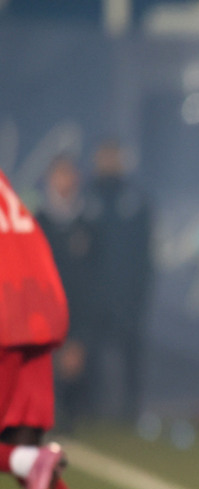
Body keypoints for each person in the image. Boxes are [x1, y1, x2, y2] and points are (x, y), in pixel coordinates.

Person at [0, 166, 122, 489]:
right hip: (37, 319)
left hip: (7, 320)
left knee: (24, 460)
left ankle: (24, 462)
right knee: (25, 454)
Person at [85, 140, 154, 423]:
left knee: (131, 355)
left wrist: (141, 290)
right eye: (105, 155)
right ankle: (89, 409)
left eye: (114, 156)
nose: (109, 161)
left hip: (128, 293)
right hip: (94, 293)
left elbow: (145, 250)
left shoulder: (135, 197)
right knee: (89, 353)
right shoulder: (87, 197)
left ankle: (131, 411)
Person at [35, 156, 98, 431]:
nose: (65, 180)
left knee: (72, 366)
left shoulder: (87, 224)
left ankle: (69, 421)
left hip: (76, 312)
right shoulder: (37, 221)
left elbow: (93, 278)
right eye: (59, 174)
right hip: (40, 312)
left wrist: (81, 331)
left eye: (69, 174)